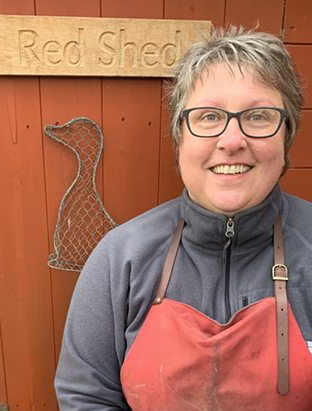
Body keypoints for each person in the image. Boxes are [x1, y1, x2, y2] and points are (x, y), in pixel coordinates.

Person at [54, 26, 312, 410]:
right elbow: (86, 396)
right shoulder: (120, 257)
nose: (231, 140)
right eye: (208, 116)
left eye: (258, 116)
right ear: (179, 138)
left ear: (286, 136)